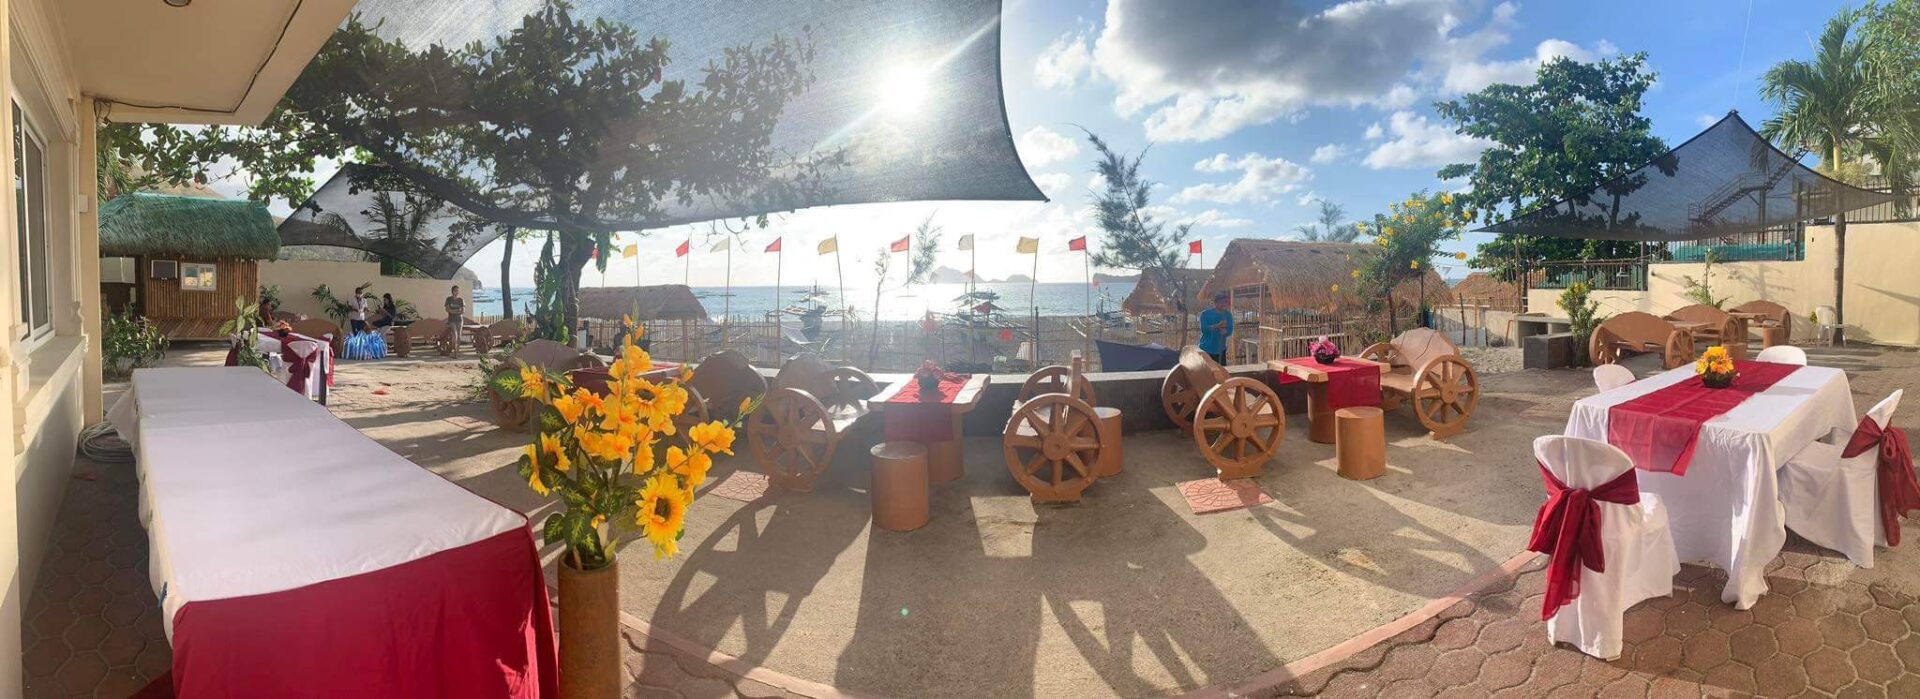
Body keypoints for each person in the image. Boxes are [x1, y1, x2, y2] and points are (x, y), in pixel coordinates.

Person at [1198, 291, 1233, 365]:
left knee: (1221, 372)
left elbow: (1230, 330)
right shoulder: (1205, 314)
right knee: (1207, 372)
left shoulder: (1228, 315)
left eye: (1225, 302)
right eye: (1221, 302)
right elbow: (1204, 329)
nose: (1224, 304)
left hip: (1220, 349)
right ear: (1215, 303)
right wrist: (1217, 326)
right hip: (1206, 349)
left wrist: (1225, 332)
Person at [444, 285, 465, 353]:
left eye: (458, 291)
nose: (457, 292)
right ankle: (454, 350)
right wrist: (456, 311)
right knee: (455, 335)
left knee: (459, 336)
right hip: (452, 320)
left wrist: (453, 311)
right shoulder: (449, 299)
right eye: (455, 290)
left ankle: (457, 351)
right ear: (452, 291)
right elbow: (447, 309)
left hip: (459, 320)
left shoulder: (461, 300)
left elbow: (463, 311)